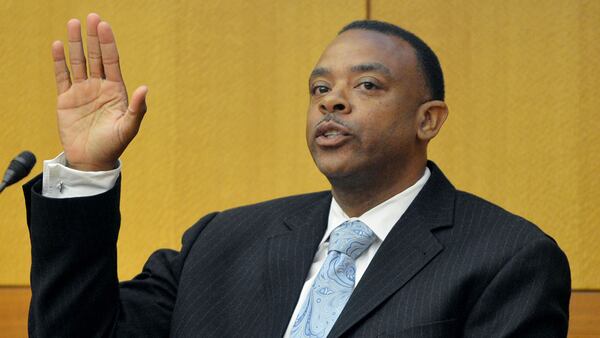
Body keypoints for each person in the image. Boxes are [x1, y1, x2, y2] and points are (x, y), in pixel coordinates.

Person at [23, 13, 570, 338]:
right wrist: (87, 169)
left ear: (428, 120)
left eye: (367, 86)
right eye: (319, 88)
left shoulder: (507, 259)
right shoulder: (220, 240)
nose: (332, 101)